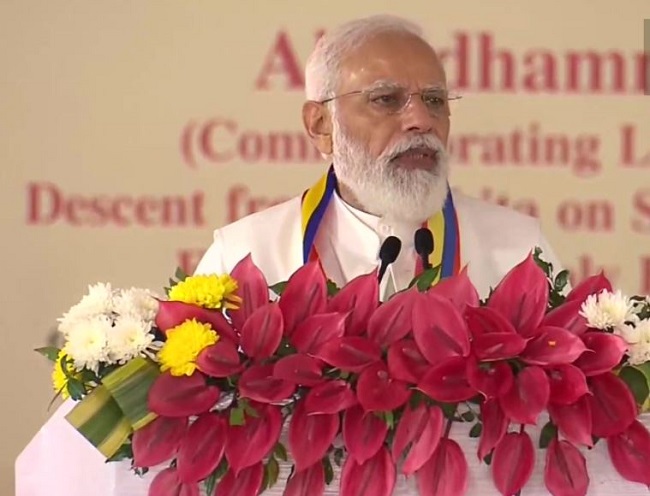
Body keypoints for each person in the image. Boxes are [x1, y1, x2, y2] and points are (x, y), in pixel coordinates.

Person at [18, 13, 645, 496]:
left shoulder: (518, 247)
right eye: (386, 99)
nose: (419, 121)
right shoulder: (246, 251)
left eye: (434, 101)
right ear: (320, 126)